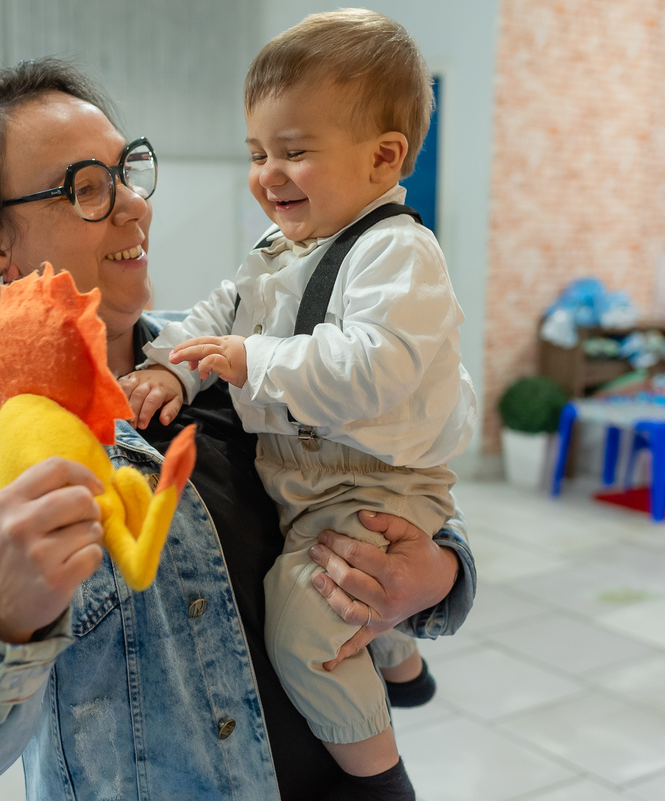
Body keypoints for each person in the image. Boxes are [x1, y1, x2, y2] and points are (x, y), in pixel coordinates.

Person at [0, 59, 476, 801]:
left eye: (127, 171)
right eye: (86, 188)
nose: (134, 206)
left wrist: (434, 575)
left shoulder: (228, 359)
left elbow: (393, 471)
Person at [127, 10, 475, 795]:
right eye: (257, 153)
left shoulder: (397, 250)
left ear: (384, 158)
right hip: (315, 480)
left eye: (295, 151)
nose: (267, 173)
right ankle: (402, 660)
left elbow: (376, 367)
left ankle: (380, 774)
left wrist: (251, 359)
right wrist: (175, 373)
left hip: (374, 481)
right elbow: (218, 313)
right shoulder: (279, 248)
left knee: (302, 615)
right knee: (339, 581)